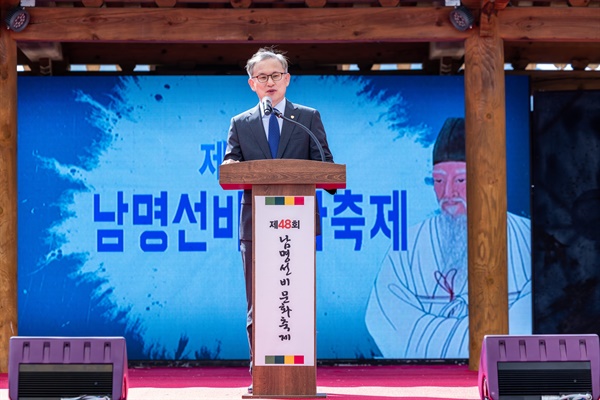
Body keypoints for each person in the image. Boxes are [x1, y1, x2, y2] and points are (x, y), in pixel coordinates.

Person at [365, 117, 532, 359]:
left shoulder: (527, 237)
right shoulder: (410, 245)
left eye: (460, 180)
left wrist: (440, 332)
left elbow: (530, 323)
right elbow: (385, 322)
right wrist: (485, 339)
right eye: (439, 181)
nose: (448, 193)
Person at [221, 47, 335, 386]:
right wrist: (230, 167)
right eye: (262, 77)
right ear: (251, 83)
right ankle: (262, 374)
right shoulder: (240, 124)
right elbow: (230, 163)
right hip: (256, 228)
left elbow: (325, 165)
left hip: (296, 226)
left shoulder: (308, 118)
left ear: (287, 79)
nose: (269, 82)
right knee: (259, 304)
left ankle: (299, 375)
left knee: (294, 299)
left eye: (275, 75)